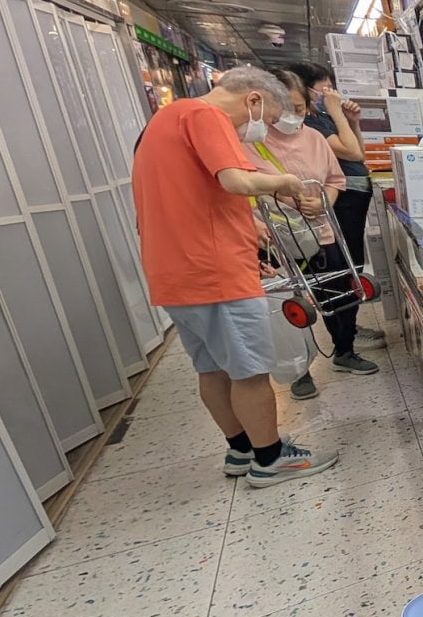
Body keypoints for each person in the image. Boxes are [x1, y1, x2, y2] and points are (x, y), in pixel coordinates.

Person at [131, 66, 339, 487]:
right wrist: (286, 181)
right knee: (249, 371)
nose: (255, 130)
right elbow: (234, 180)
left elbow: (198, 194)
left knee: (212, 369)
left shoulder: (164, 121)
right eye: (260, 119)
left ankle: (241, 448)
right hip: (214, 271)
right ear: (254, 101)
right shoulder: (207, 116)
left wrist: (248, 230)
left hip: (175, 270)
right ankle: (271, 458)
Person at [250, 71, 379, 400]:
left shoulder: (314, 138)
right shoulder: (252, 142)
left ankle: (345, 351)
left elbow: (336, 179)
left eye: (300, 107)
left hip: (322, 230)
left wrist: (324, 203)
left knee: (343, 291)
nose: (294, 115)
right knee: (292, 303)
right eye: (287, 107)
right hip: (279, 241)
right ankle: (299, 370)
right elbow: (243, 191)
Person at [284, 61, 386, 350]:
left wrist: (353, 122)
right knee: (338, 271)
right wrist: (337, 111)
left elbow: (359, 155)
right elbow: (351, 151)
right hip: (337, 203)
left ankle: (349, 329)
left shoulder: (323, 119)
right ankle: (344, 342)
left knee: (351, 266)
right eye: (324, 88)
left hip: (351, 196)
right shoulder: (313, 121)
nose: (331, 93)